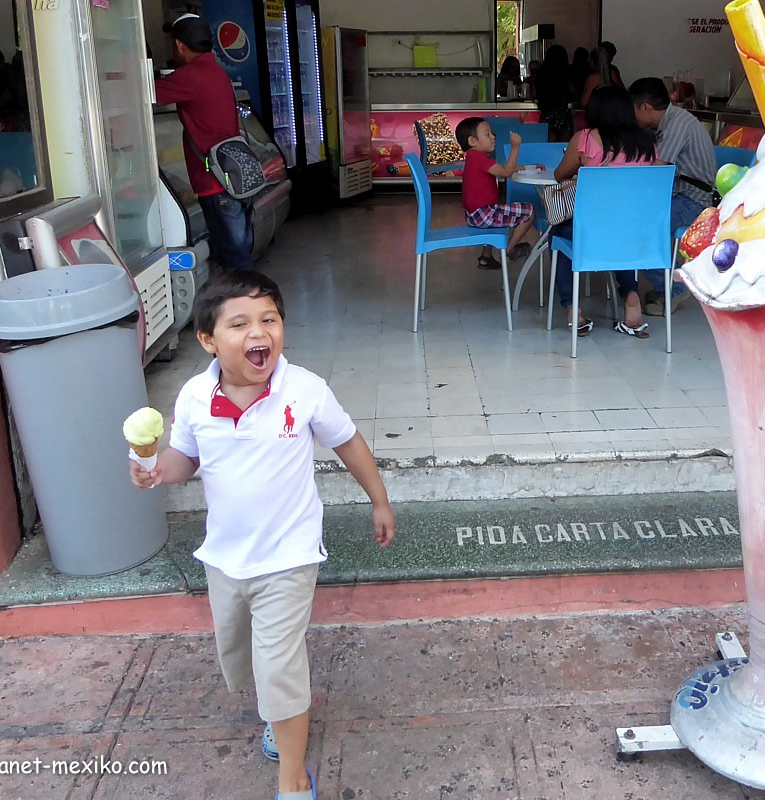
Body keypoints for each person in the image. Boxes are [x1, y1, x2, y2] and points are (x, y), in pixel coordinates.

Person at [129, 270, 395, 800]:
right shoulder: (195, 398)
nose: (260, 333)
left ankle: (292, 778)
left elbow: (348, 441)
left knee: (278, 662)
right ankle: (275, 713)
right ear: (208, 340)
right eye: (241, 323)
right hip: (225, 557)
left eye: (269, 319)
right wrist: (156, 468)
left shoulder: (304, 389)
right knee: (241, 653)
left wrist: (379, 499)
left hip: (291, 555)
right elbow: (186, 459)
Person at [551, 84, 658, 338]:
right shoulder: (647, 144)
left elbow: (559, 175)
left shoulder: (585, 140)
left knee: (561, 233)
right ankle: (632, 300)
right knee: (620, 234)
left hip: (592, 231)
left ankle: (573, 309)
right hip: (636, 231)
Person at [154, 14, 254, 272]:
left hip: (214, 183)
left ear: (178, 44)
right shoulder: (216, 71)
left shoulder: (189, 76)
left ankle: (245, 307)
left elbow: (142, 94)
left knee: (235, 261)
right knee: (235, 255)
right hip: (231, 176)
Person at [630, 77, 718, 317]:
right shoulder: (670, 122)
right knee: (634, 223)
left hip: (693, 203)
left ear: (645, 107)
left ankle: (675, 286)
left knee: (634, 230)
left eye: (633, 110)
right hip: (679, 197)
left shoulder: (677, 124)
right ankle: (667, 282)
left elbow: (656, 174)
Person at [455, 117, 535, 269]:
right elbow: (505, 172)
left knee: (497, 212)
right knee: (529, 212)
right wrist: (515, 147)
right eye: (487, 134)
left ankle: (486, 257)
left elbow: (502, 169)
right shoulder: (479, 157)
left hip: (474, 215)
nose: (493, 137)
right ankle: (509, 250)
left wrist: (527, 167)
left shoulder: (474, 157)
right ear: (473, 141)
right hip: (483, 215)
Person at [536, 45, 574, 143]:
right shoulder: (566, 73)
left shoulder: (542, 74)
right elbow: (573, 92)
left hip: (547, 111)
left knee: (549, 148)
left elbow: (536, 93)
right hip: (563, 113)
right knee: (563, 148)